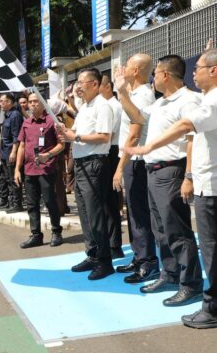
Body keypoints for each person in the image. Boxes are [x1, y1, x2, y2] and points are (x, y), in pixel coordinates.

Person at [127, 48, 217, 329]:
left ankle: (216, 308)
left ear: (214, 71)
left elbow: (187, 125)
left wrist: (150, 146)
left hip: (214, 186)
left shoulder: (215, 101)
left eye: (198, 68)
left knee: (214, 249)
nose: (193, 73)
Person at [117, 55, 204, 306]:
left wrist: (189, 176)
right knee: (160, 229)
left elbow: (193, 140)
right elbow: (138, 117)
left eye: (155, 73)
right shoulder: (161, 102)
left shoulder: (189, 100)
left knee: (177, 231)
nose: (152, 78)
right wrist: (122, 92)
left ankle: (191, 284)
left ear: (165, 75)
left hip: (172, 170)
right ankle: (171, 274)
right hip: (153, 171)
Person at [63, 68, 115, 280]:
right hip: (81, 164)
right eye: (77, 82)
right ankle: (92, 254)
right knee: (85, 213)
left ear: (95, 84)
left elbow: (104, 137)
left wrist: (76, 137)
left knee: (95, 214)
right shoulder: (84, 107)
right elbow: (76, 133)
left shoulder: (103, 106)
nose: (78, 86)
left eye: (82, 82)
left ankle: (104, 261)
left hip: (94, 164)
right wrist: (67, 134)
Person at [114, 54, 159, 283]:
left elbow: (135, 132)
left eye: (127, 66)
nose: (123, 69)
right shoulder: (133, 93)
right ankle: (139, 256)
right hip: (132, 159)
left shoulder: (143, 95)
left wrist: (120, 167)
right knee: (133, 212)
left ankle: (147, 262)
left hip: (137, 160)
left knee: (139, 213)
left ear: (137, 70)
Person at [14, 92, 66, 248]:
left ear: (43, 103)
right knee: (32, 204)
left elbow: (62, 145)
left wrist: (48, 155)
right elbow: (22, 146)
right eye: (30, 101)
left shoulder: (52, 122)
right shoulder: (26, 123)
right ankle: (36, 235)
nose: (32, 104)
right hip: (29, 169)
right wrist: (17, 169)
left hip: (46, 169)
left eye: (36, 101)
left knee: (50, 202)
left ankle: (56, 232)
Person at [99, 74, 124, 258]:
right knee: (105, 201)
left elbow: (109, 134)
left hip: (111, 151)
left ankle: (115, 245)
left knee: (110, 201)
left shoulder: (113, 106)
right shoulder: (104, 105)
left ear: (108, 87)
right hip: (106, 150)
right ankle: (110, 242)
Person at [0, 93, 24, 213]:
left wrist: (14, 152)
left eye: (2, 101)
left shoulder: (15, 115)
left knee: (14, 179)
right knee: (8, 178)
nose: (0, 103)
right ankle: (11, 202)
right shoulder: (7, 115)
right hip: (4, 152)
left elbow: (16, 136)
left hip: (10, 152)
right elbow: (4, 135)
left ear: (9, 102)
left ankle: (17, 204)